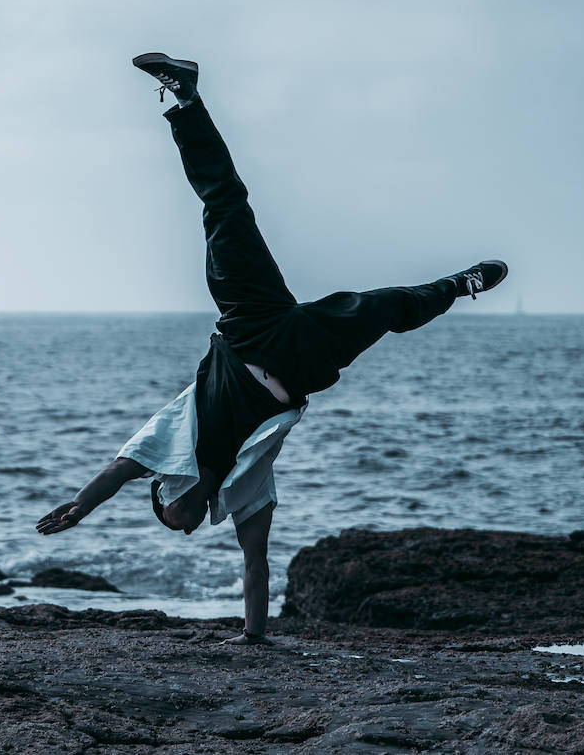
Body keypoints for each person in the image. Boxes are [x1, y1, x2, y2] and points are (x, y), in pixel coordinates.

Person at [36, 54, 508, 645]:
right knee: (384, 307)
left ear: (171, 492)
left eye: (171, 520)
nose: (180, 531)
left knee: (224, 207)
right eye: (177, 528)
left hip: (249, 327)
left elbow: (116, 471)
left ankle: (185, 98)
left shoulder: (169, 442)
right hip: (302, 362)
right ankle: (461, 285)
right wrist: (253, 638)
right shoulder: (245, 493)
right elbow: (256, 566)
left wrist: (78, 510)